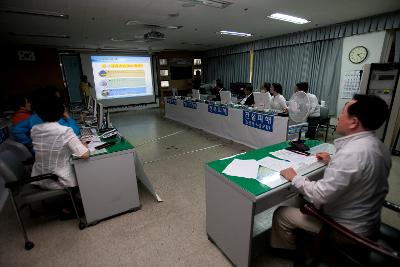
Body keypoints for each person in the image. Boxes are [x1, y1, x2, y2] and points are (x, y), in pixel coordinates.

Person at [271, 94, 391, 252]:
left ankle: (287, 251)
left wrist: (294, 177)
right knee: (303, 199)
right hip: (367, 221)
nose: (339, 117)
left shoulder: (351, 154)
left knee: (281, 213)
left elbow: (320, 196)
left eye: (343, 113)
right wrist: (333, 162)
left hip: (347, 231)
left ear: (354, 122)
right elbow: (360, 172)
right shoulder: (379, 147)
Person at [30, 90, 89, 190]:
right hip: (59, 180)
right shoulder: (64, 131)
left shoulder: (35, 129)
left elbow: (54, 147)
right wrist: (84, 146)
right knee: (89, 170)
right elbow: (85, 155)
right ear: (61, 111)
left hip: (40, 177)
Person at [11, 88, 80, 149]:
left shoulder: (32, 118)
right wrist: (67, 117)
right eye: (57, 100)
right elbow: (74, 132)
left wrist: (30, 144)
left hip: (40, 154)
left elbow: (16, 130)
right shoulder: (54, 118)